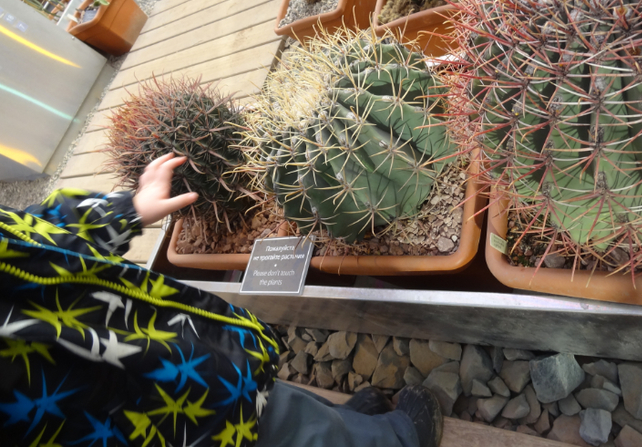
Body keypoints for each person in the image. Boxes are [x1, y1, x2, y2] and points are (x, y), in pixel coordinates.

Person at [0, 153, 443, 447]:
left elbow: (28, 236)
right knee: (273, 428)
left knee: (262, 394)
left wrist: (121, 212)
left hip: (174, 355)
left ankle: (345, 423)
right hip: (162, 422)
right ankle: (393, 439)